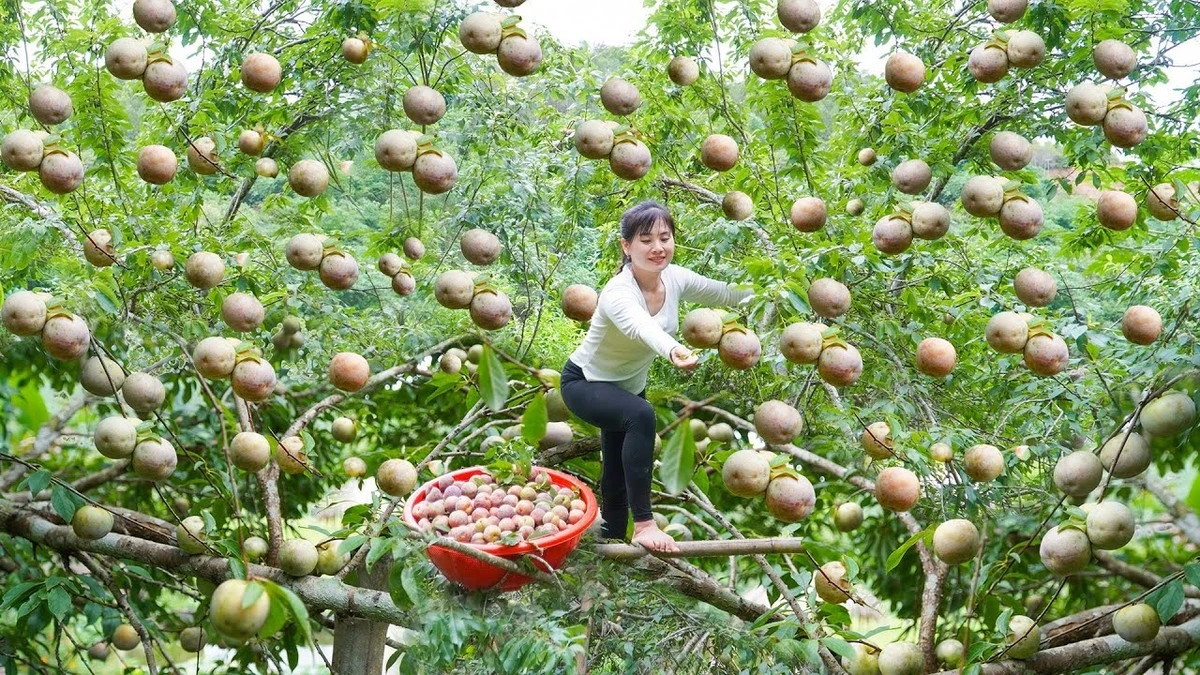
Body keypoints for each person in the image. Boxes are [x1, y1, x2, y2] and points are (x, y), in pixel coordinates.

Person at [559, 200, 753, 552]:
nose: (658, 247)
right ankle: (646, 525)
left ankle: (611, 540)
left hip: (627, 389)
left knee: (616, 468)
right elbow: (641, 326)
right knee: (641, 415)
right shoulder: (618, 292)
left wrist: (775, 290)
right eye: (646, 240)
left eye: (665, 238)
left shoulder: (675, 278)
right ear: (626, 246)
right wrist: (673, 349)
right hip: (584, 384)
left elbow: (726, 292)